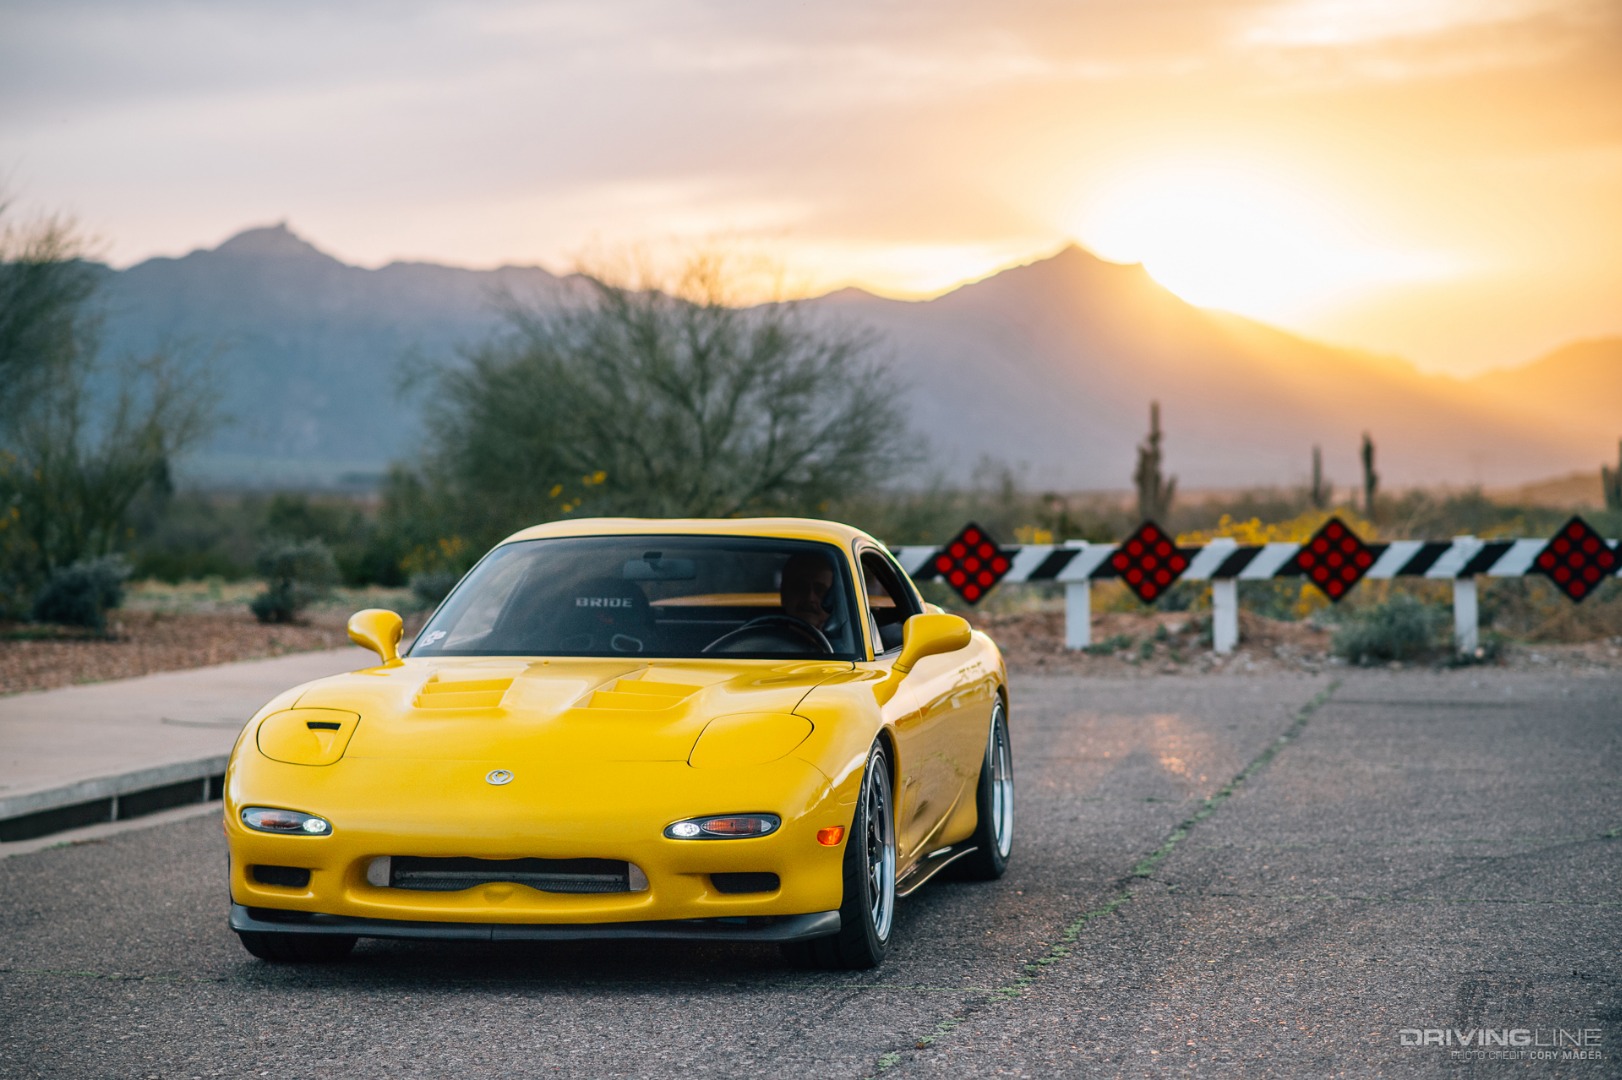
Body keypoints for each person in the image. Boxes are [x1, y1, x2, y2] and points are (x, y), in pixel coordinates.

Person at [779, 552, 835, 632]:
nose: (810, 598)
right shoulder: (762, 639)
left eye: (820, 591)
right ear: (784, 595)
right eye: (800, 588)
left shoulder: (851, 641)